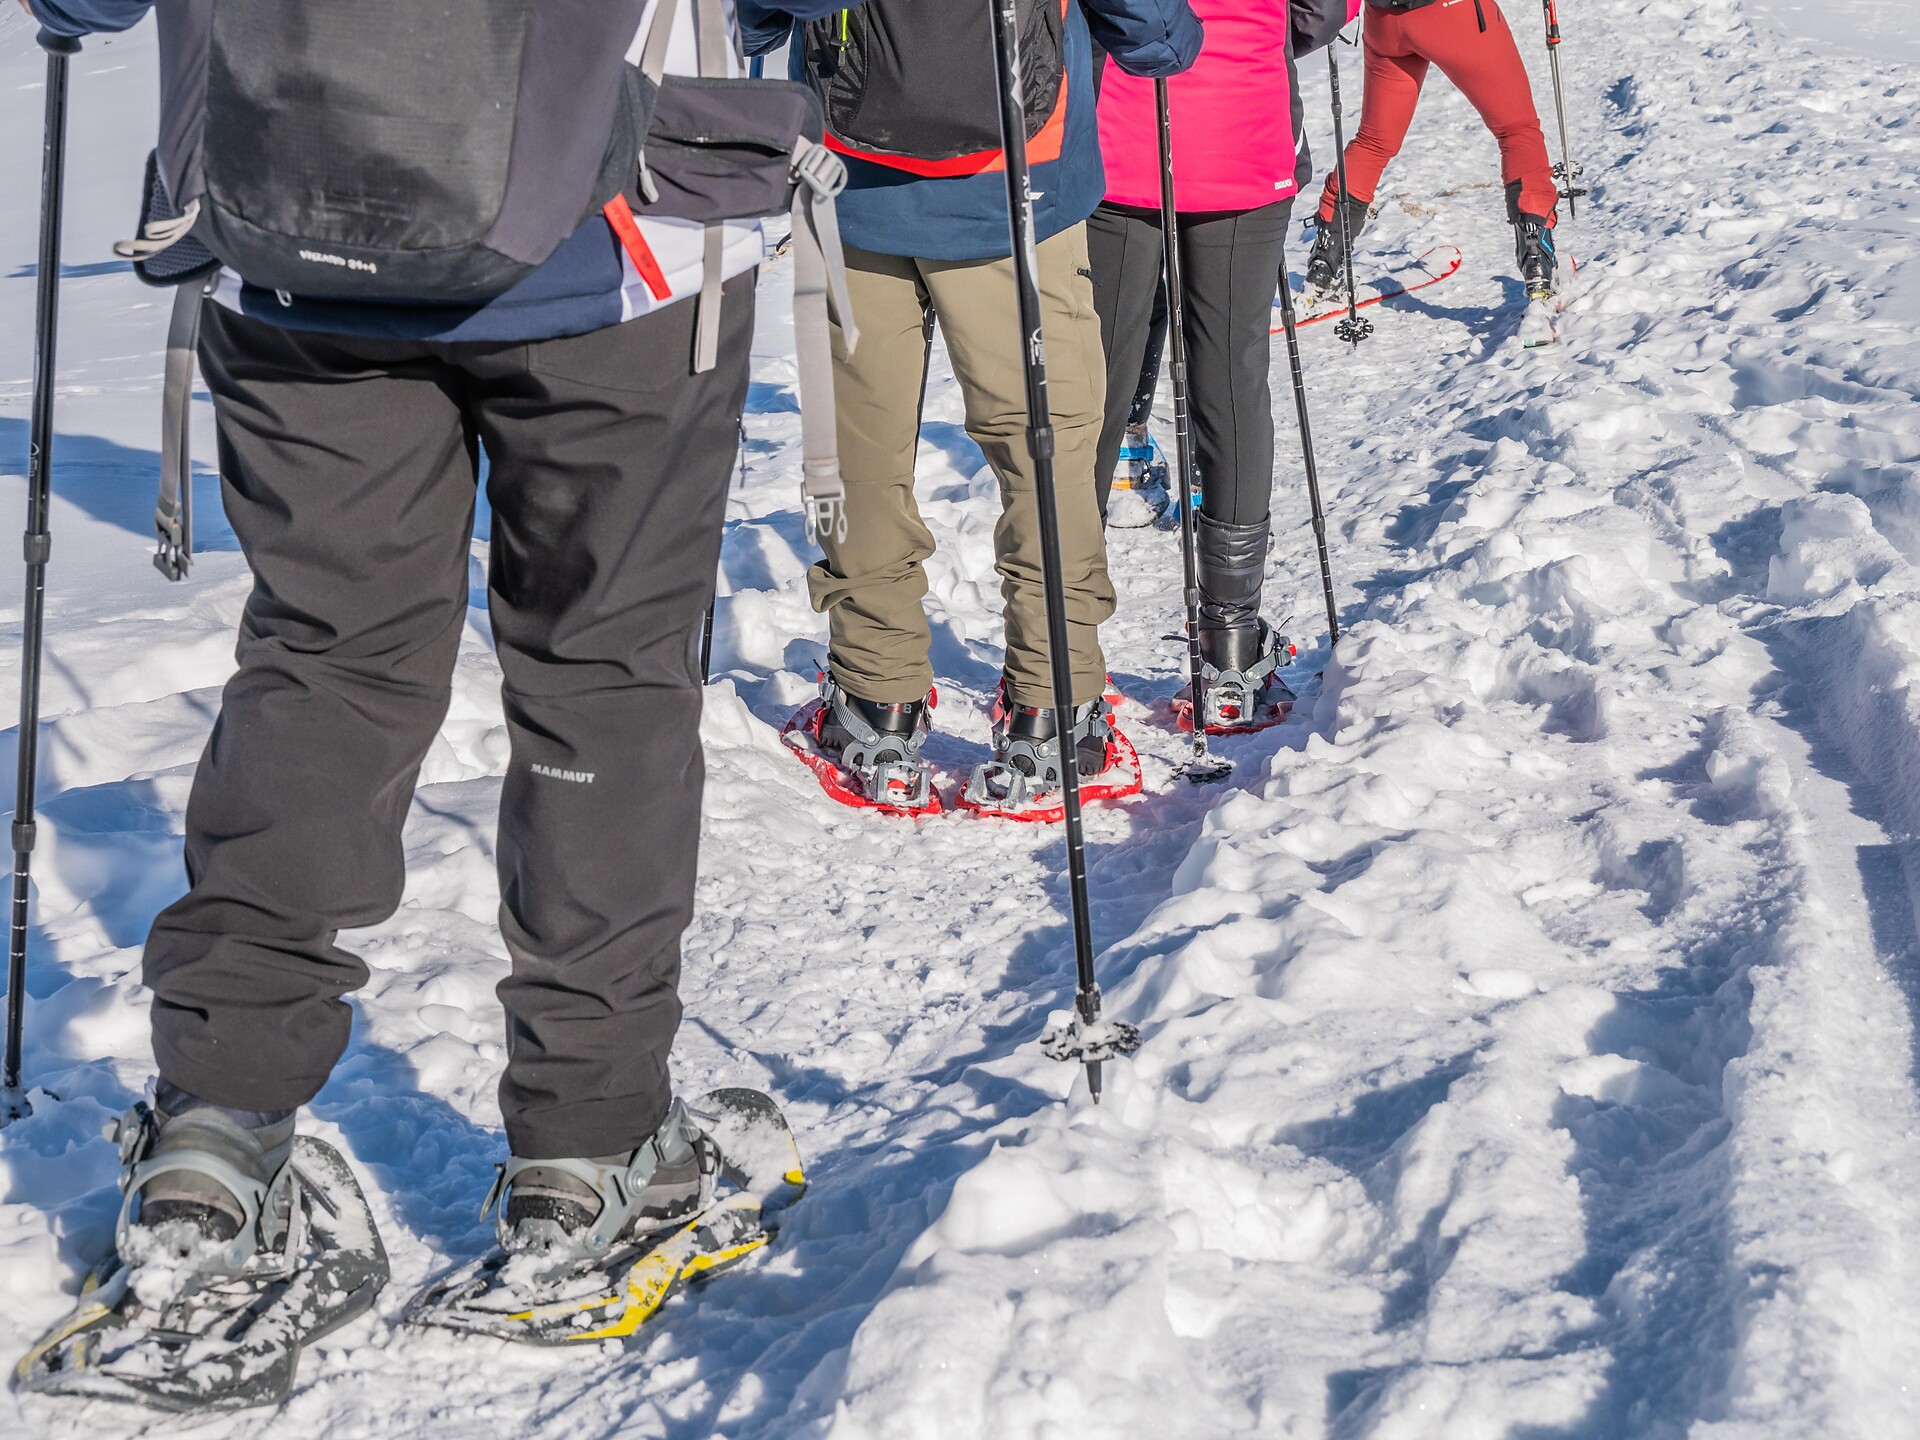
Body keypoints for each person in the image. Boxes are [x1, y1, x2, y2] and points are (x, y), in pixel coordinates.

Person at [23, 0, 847, 1334]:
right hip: (618, 253)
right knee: (601, 679)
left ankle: (217, 1138)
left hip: (293, 239)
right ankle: (590, 1151)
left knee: (320, 663)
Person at [744, 0, 1203, 817]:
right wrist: (1162, 38)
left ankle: (874, 698)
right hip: (1022, 189)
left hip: (846, 184)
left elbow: (749, 22)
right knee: (1045, 450)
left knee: (858, 450)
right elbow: (1154, 37)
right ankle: (1055, 709)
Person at [1089, 0, 1357, 733]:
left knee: (1096, 388)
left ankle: (1061, 654)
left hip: (1121, 127)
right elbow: (1324, 10)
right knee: (1232, 378)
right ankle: (1230, 649)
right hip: (1245, 121)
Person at [1304, 0, 1560, 306]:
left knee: (1373, 142)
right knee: (1517, 129)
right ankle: (1537, 258)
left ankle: (1325, 262)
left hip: (1386, 22)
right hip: (1453, 15)